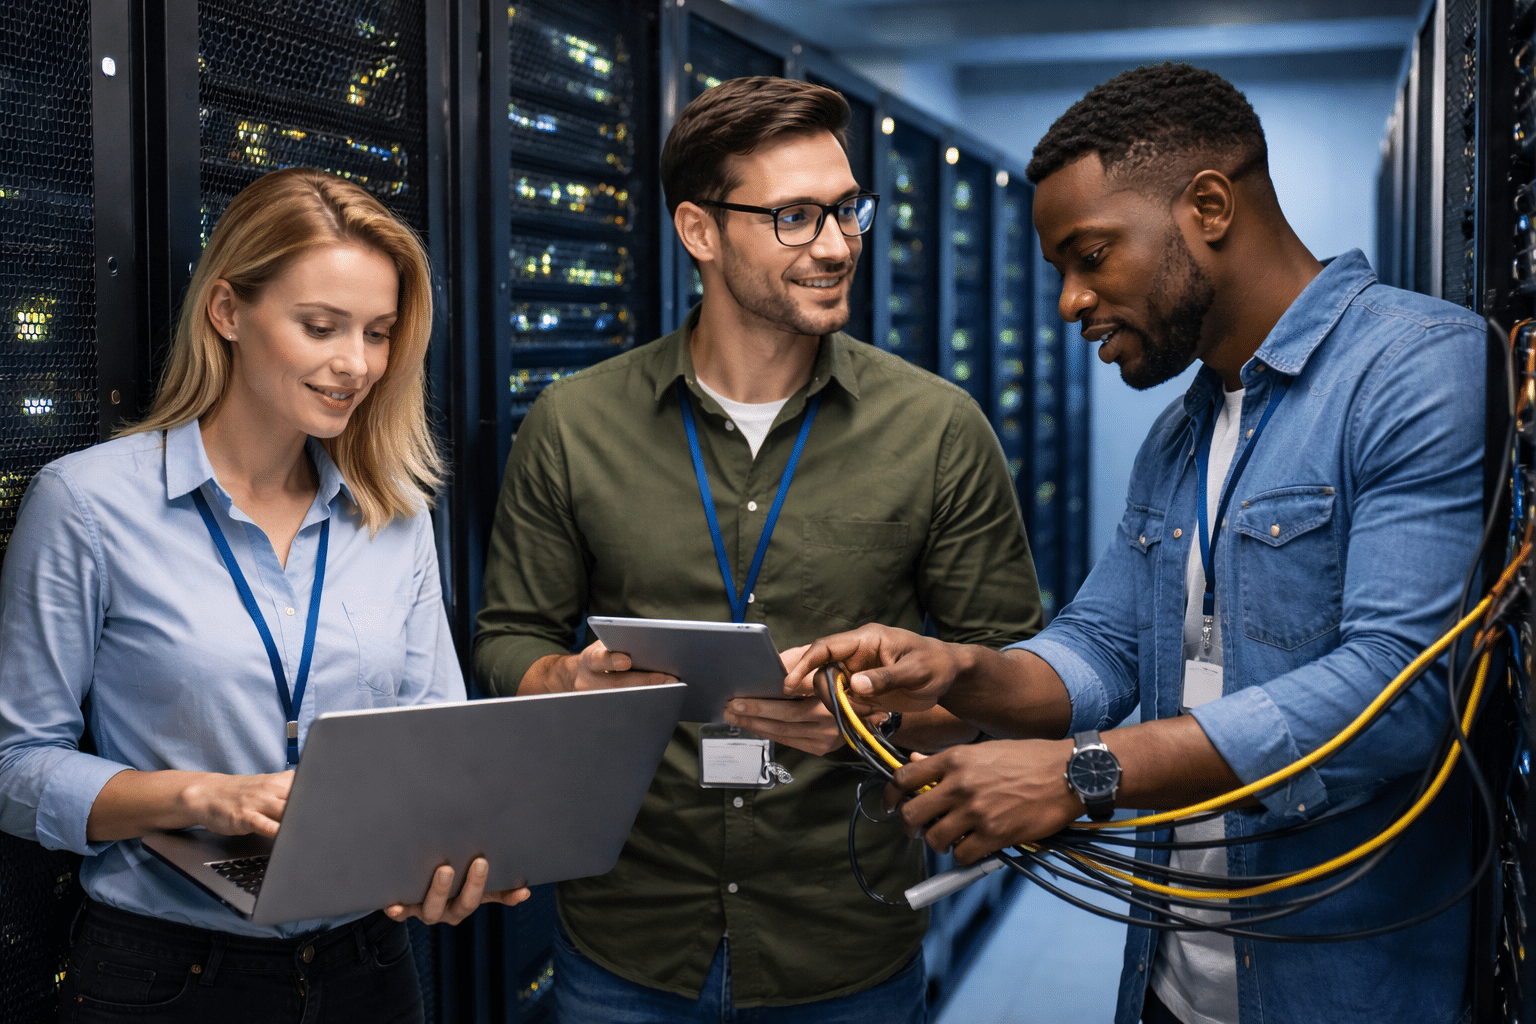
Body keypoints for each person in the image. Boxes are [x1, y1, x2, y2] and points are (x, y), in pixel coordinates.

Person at [789, 63, 1485, 1024]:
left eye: (1091, 255)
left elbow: (1401, 694)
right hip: (1170, 982)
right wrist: (958, 671)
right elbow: (1104, 647)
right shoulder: (1180, 432)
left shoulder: (1415, 370)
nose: (1070, 302)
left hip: (1337, 989)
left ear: (1208, 207)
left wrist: (1085, 771)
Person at [473, 76, 1041, 1022]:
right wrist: (564, 681)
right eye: (794, 217)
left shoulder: (938, 430)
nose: (838, 244)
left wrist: (873, 722)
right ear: (699, 230)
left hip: (842, 940)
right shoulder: (575, 425)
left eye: (847, 209)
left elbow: (1014, 683)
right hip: (629, 934)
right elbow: (505, 639)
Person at [0, 167, 528, 1024]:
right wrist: (201, 796)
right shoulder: (87, 505)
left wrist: (451, 860)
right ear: (227, 311)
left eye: (379, 333)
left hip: (370, 967)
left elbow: (438, 741)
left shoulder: (395, 515)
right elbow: (15, 767)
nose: (356, 364)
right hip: (165, 979)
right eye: (320, 326)